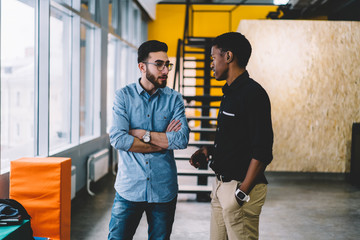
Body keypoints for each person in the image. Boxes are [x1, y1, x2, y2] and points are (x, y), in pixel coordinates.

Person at [190, 32, 274, 240]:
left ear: (228, 57)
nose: (211, 63)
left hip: (239, 190)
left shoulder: (254, 94)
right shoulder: (228, 93)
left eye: (213, 58)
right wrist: (208, 151)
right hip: (220, 187)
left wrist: (242, 192)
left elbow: (262, 150)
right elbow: (236, 139)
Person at [108, 40, 190, 240]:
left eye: (167, 65)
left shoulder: (174, 99)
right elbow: (118, 139)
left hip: (163, 190)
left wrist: (140, 133)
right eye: (159, 64)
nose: (165, 70)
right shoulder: (123, 97)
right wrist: (161, 143)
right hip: (129, 189)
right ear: (142, 67)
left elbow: (180, 139)